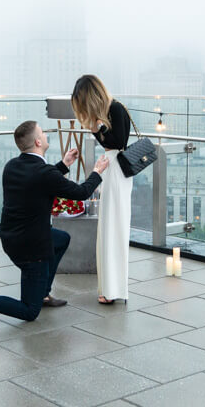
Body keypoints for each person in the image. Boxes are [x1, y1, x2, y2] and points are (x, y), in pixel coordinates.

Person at [0, 120, 108, 329]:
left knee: (62, 239)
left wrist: (63, 165)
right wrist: (97, 172)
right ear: (37, 141)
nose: (45, 135)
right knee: (29, 311)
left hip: (12, 240)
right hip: (32, 249)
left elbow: (39, 179)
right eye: (43, 133)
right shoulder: (44, 173)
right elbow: (81, 192)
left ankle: (43, 293)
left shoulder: (12, 166)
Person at [70, 74, 132, 305]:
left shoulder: (115, 109)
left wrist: (98, 128)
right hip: (111, 168)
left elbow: (118, 142)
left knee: (113, 227)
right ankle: (111, 287)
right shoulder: (109, 111)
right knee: (109, 227)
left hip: (116, 169)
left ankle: (114, 289)